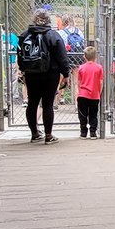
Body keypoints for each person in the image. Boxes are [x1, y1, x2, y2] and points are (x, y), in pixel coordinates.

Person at [17, 10, 70, 142]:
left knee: (32, 103)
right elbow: (62, 57)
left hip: (31, 74)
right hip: (50, 74)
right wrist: (66, 74)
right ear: (48, 20)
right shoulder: (53, 36)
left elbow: (20, 55)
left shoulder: (25, 36)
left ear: (34, 20)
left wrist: (23, 70)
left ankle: (34, 133)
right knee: (47, 104)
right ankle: (48, 135)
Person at [75, 45, 104, 138]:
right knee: (93, 114)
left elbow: (79, 82)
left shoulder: (81, 67)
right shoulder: (99, 67)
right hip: (94, 95)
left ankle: (83, 132)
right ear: (95, 57)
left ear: (84, 56)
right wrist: (99, 92)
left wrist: (79, 91)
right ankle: (93, 132)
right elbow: (101, 82)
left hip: (83, 94)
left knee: (82, 115)